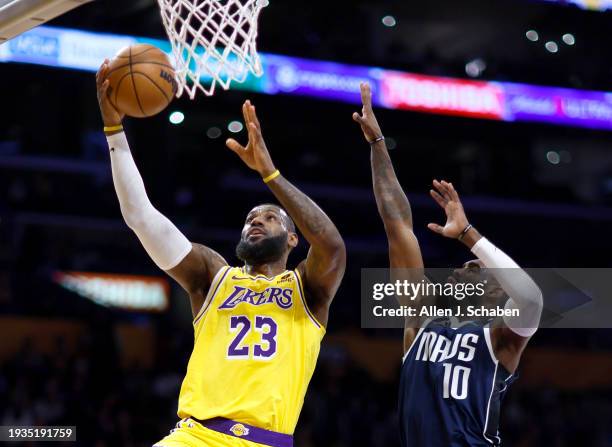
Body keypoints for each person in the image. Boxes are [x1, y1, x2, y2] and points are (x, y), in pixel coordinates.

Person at [96, 60, 346, 447]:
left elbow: (330, 245)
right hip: (194, 436)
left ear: (293, 240)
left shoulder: (308, 290)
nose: (255, 222)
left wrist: (271, 175)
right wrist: (115, 131)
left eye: (269, 218)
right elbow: (142, 217)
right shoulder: (213, 274)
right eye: (250, 218)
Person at [352, 82, 543, 446]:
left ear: (499, 292)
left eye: (475, 269)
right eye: (462, 267)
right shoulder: (420, 318)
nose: (461, 270)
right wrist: (378, 145)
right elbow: (397, 224)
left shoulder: (500, 340)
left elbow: (532, 300)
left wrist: (468, 234)